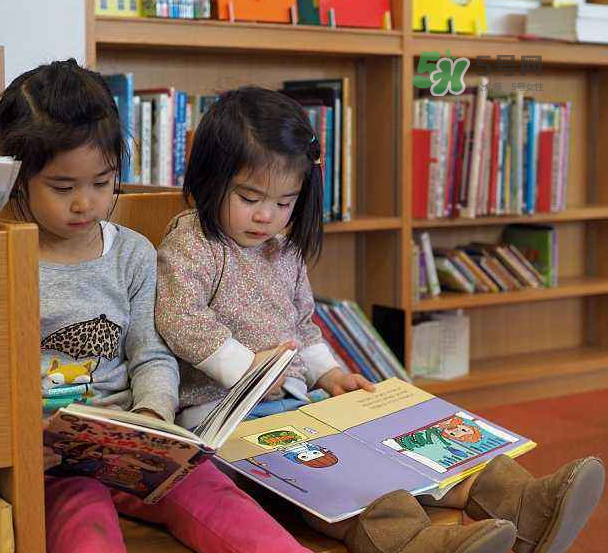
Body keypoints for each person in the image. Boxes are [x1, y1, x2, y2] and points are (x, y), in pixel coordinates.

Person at [155, 85, 605, 553]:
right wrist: (243, 369)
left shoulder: (282, 250)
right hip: (223, 417)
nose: (267, 215)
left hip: (299, 403)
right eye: (249, 197)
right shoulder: (194, 241)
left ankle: (521, 504)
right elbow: (179, 316)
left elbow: (304, 324)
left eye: (285, 202)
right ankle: (413, 542)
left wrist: (329, 374)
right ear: (211, 179)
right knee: (336, 479)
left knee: (392, 447)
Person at [0, 60, 318, 553]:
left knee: (219, 501)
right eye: (63, 188)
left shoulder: (132, 253)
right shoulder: (3, 257)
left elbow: (150, 353)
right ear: (18, 177)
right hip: (52, 459)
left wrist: (152, 413)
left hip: (137, 445)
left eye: (102, 183)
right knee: (86, 529)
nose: (86, 203)